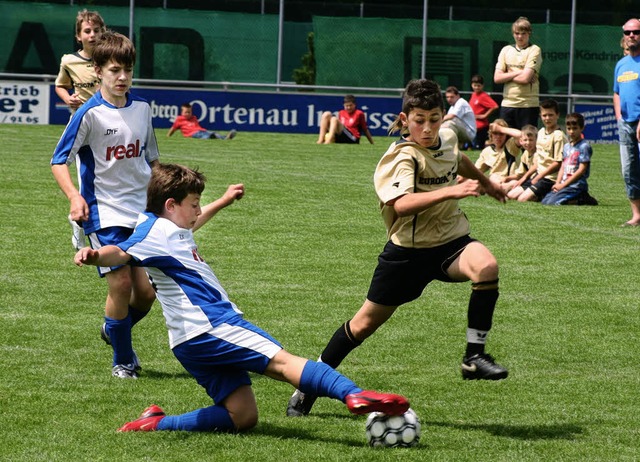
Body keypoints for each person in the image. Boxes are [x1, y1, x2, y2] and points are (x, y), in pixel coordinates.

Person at [74, 163, 410, 432]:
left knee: (242, 415)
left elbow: (190, 225)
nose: (198, 210)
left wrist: (222, 200)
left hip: (188, 342)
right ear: (170, 205)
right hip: (211, 324)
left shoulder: (171, 228)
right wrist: (95, 255)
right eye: (193, 204)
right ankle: (354, 394)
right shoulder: (150, 233)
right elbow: (120, 253)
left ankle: (157, 422)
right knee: (282, 362)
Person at [286, 79, 509, 418]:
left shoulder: (447, 135)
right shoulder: (399, 158)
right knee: (362, 325)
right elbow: (402, 204)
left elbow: (456, 159)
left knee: (487, 266)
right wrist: (452, 192)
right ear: (404, 120)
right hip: (407, 254)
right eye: (419, 119)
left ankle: (473, 357)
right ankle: (309, 385)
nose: (428, 127)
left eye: (435, 118)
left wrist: (487, 183)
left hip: (450, 241)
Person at [51, 30, 159, 379]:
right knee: (122, 284)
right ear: (97, 70)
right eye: (115, 70)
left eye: (127, 69)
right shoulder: (89, 114)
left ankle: (114, 329)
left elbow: (152, 160)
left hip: (140, 212)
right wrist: (74, 195)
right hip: (103, 211)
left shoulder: (142, 109)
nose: (123, 77)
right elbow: (58, 159)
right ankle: (124, 361)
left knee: (145, 295)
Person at [507, 99, 566, 202]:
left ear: (557, 115)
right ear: (540, 115)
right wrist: (524, 178)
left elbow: (558, 163)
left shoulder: (558, 136)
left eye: (551, 115)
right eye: (544, 115)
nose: (547, 118)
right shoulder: (541, 132)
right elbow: (538, 161)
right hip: (539, 175)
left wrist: (539, 177)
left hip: (550, 178)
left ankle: (550, 194)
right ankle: (542, 194)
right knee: (511, 195)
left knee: (522, 199)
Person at [614, 18, 640, 226]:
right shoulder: (621, 65)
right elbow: (616, 92)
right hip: (626, 124)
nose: (632, 35)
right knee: (628, 170)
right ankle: (637, 215)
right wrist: (619, 117)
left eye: (636, 32)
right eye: (628, 32)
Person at [494, 16, 542, 129]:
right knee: (506, 141)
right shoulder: (506, 50)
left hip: (528, 104)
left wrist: (507, 74)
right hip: (507, 104)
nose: (519, 37)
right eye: (517, 33)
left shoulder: (535, 50)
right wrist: (519, 72)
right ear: (513, 33)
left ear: (529, 33)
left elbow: (525, 79)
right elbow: (497, 78)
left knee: (527, 142)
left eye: (523, 33)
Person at [55, 10, 106, 113]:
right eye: (87, 31)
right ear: (78, 36)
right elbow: (60, 86)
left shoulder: (112, 59)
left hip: (108, 115)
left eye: (96, 31)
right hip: (81, 116)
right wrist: (68, 99)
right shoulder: (68, 61)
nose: (92, 35)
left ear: (102, 33)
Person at [541, 113, 597, 206]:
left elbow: (581, 170)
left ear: (582, 128)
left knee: (553, 203)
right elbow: (563, 166)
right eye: (569, 129)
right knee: (545, 201)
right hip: (565, 184)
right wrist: (558, 183)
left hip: (576, 186)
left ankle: (582, 199)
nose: (571, 132)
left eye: (575, 129)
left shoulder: (584, 146)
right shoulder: (566, 146)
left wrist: (562, 185)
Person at [474, 119, 521, 192]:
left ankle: (493, 189)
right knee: (492, 177)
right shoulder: (487, 151)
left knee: (513, 183)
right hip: (494, 179)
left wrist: (501, 129)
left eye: (501, 134)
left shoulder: (510, 146)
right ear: (491, 134)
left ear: (506, 135)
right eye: (495, 133)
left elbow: (521, 135)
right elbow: (476, 171)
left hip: (509, 179)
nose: (498, 137)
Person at [167, 103, 237, 140]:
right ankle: (208, 137)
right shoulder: (179, 119)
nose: (188, 114)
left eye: (189, 112)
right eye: (186, 112)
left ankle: (226, 137)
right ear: (181, 112)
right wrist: (168, 136)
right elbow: (173, 128)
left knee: (213, 133)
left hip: (200, 130)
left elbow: (197, 127)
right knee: (203, 135)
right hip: (191, 133)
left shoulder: (194, 117)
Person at [469, 75, 499, 149]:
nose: (476, 87)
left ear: (482, 86)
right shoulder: (473, 95)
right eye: (474, 85)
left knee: (478, 147)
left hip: (481, 127)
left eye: (478, 86)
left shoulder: (483, 96)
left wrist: (484, 115)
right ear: (472, 85)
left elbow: (495, 106)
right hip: (473, 126)